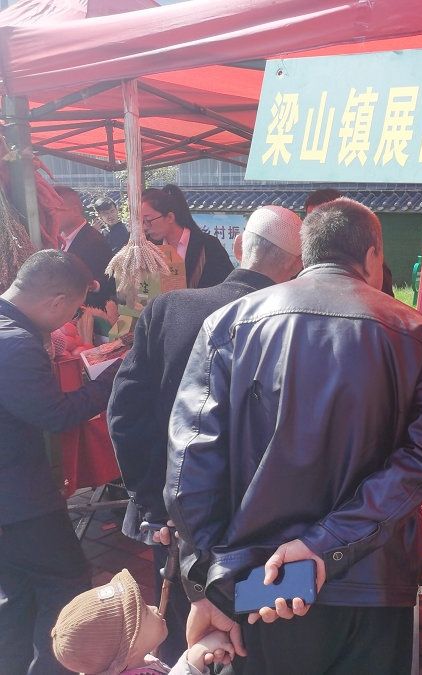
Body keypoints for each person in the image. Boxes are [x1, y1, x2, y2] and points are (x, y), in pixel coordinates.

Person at [165, 198, 422, 674]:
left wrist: (206, 583)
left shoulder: (231, 324)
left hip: (261, 581)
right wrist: (325, 543)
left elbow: (188, 467)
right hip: (372, 583)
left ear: (305, 255)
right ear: (372, 255)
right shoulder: (416, 332)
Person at [108, 205, 303, 665]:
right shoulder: (299, 324)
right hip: (266, 529)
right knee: (258, 631)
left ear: (239, 246)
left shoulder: (171, 308)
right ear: (298, 265)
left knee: (184, 629)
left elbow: (125, 414)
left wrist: (152, 504)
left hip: (178, 520)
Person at [0, 250, 120, 675]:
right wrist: (110, 379)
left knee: (17, 594)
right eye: (73, 310)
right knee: (64, 585)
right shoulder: (15, 344)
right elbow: (55, 414)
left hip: (12, 499)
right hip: (20, 501)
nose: (72, 319)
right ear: (56, 301)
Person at [51, 569, 235, 675]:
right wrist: (195, 655)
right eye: (145, 612)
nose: (154, 607)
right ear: (130, 650)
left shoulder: (130, 664)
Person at [141, 185, 233, 289]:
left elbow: (227, 286)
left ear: (170, 217)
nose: (145, 227)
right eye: (142, 222)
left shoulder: (209, 246)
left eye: (148, 220)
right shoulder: (149, 248)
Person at [306, 188, 394, 296]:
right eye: (310, 219)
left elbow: (385, 302)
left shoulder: (372, 264)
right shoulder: (302, 261)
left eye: (324, 218)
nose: (316, 224)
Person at [55, 186, 116, 309]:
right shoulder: (56, 238)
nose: (50, 216)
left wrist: (94, 285)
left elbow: (107, 284)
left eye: (55, 210)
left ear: (74, 211)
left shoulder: (94, 242)